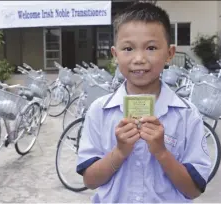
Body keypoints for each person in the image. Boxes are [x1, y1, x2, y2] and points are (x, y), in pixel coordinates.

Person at [76, 2, 211, 203]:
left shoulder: (187, 115)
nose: (139, 58)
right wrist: (120, 151)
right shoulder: (99, 111)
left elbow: (193, 190)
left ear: (169, 54)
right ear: (115, 55)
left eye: (151, 47)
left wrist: (161, 152)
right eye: (128, 48)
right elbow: (90, 181)